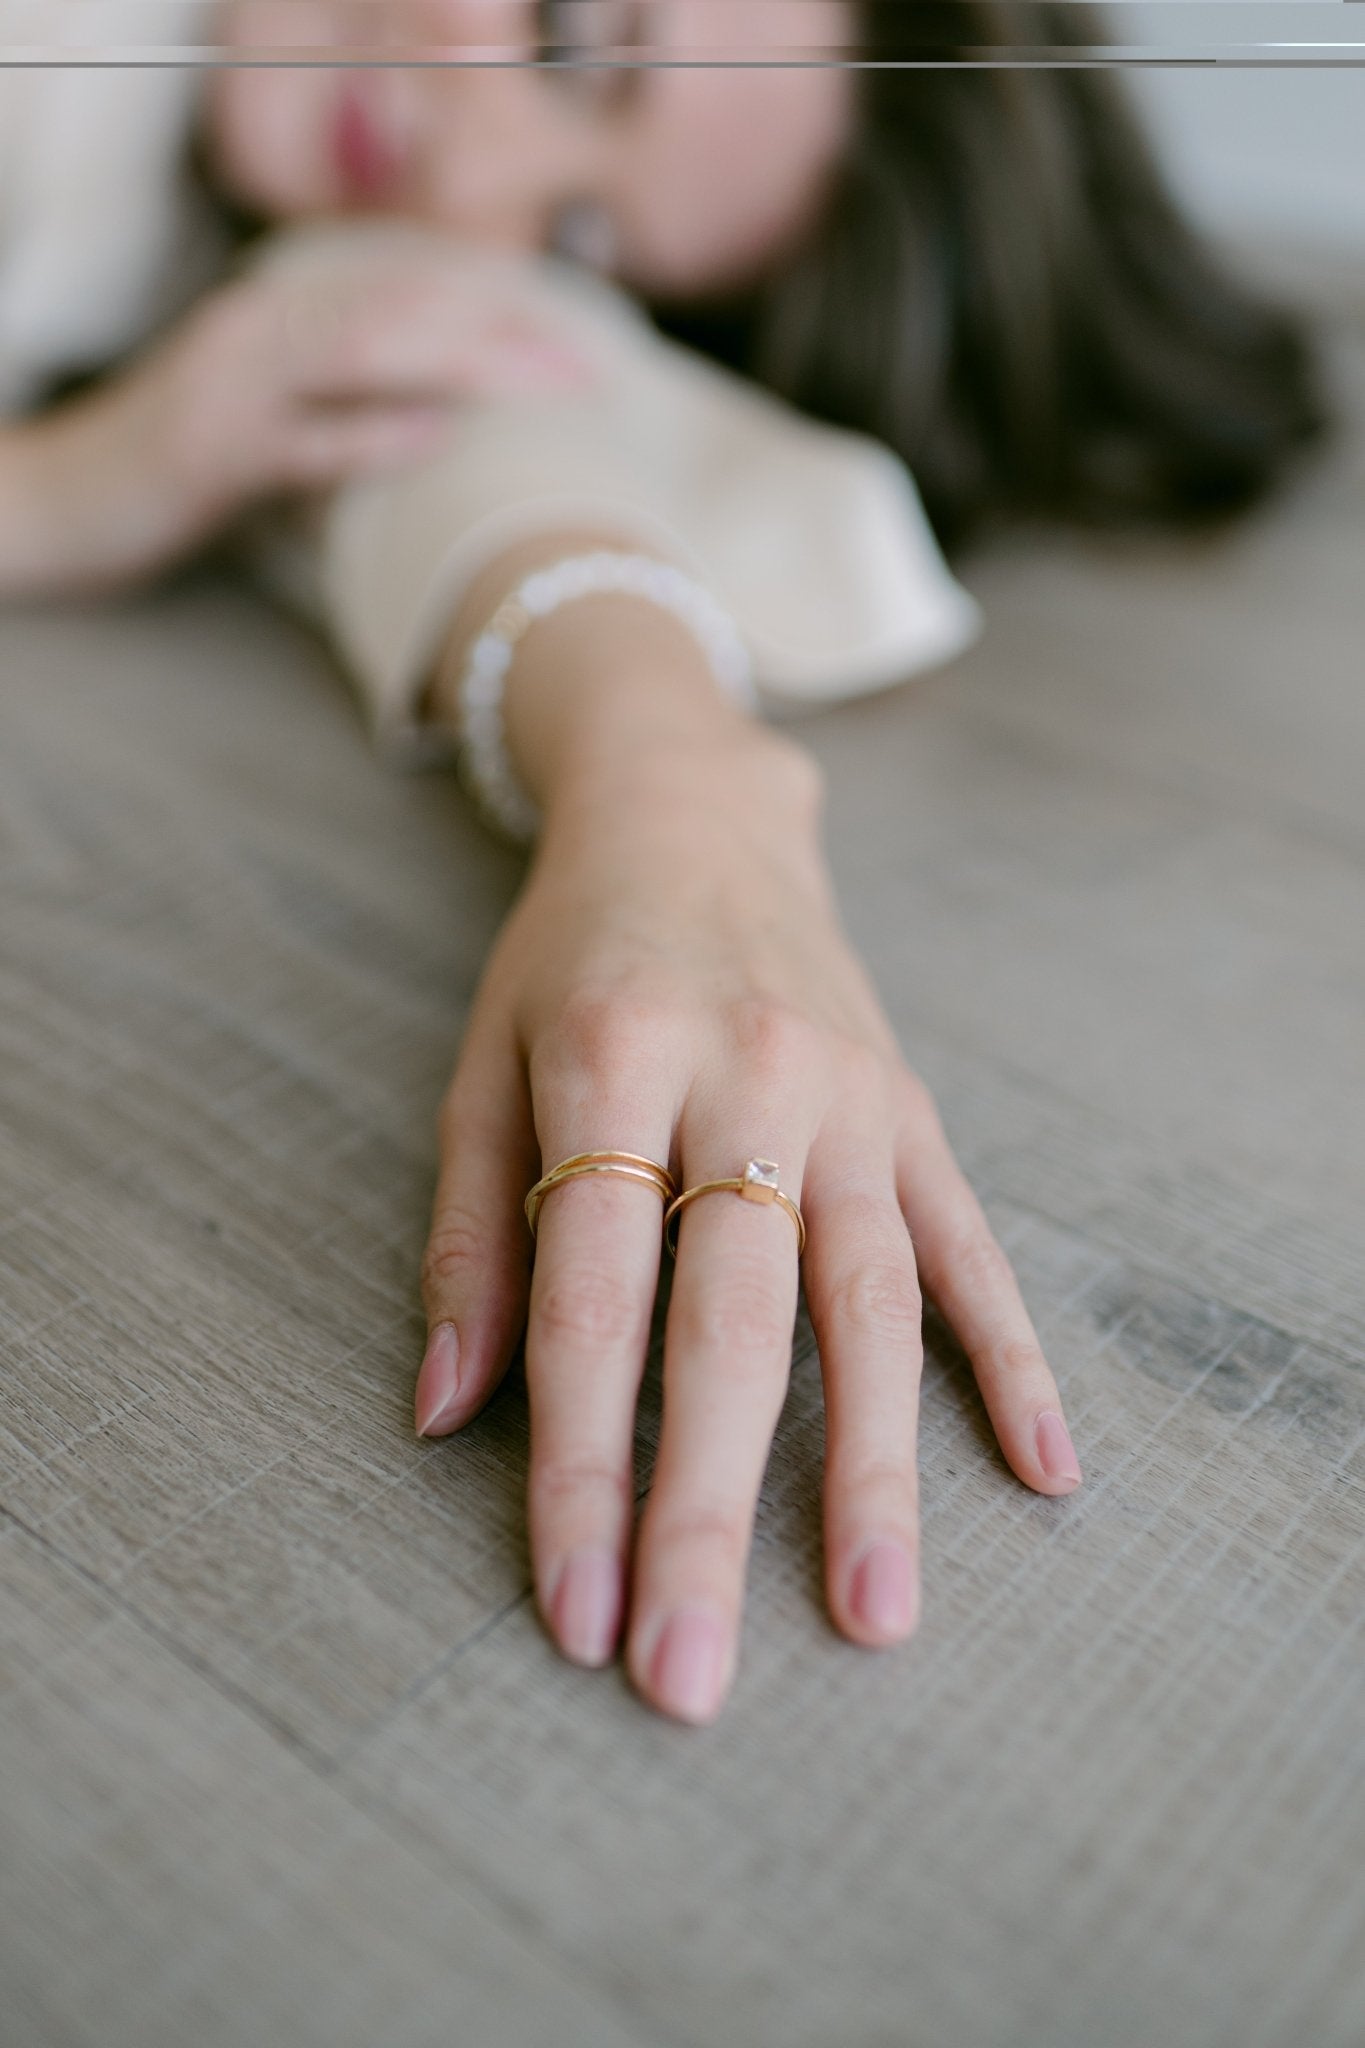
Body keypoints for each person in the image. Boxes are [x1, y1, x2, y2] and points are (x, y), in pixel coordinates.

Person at [0, 1, 1330, 1725]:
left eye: (575, 232)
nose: (469, 185)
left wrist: (676, 794)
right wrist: (57, 495)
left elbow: (494, 406)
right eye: (569, 34)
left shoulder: (268, 232)